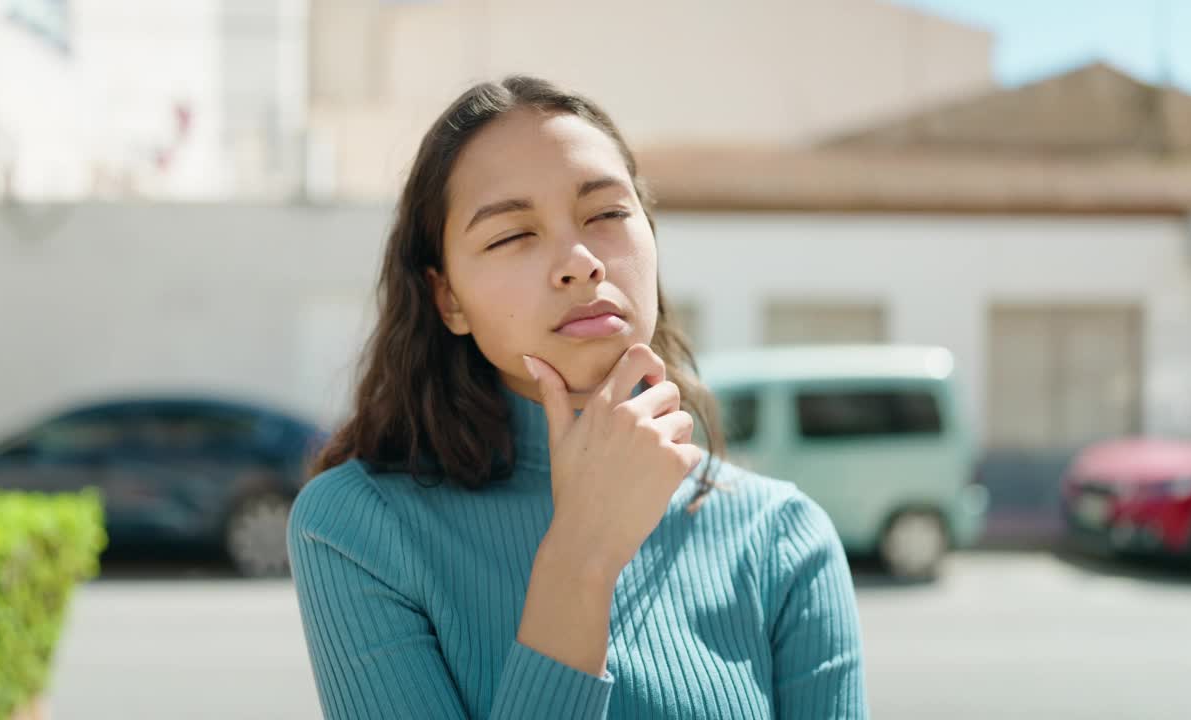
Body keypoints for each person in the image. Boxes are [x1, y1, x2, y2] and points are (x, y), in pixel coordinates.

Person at [287, 75, 868, 720]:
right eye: (511, 234)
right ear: (448, 298)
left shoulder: (783, 538)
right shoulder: (355, 527)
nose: (580, 260)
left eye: (607, 214)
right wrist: (581, 557)